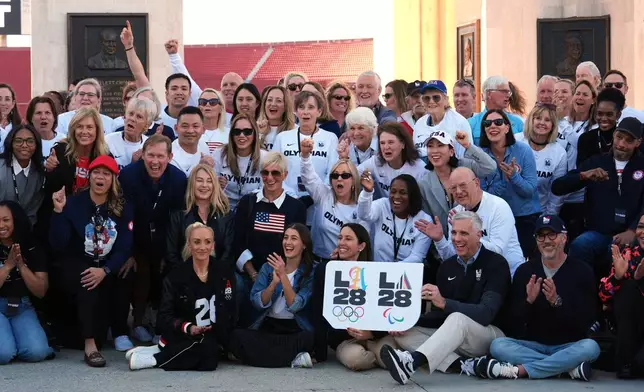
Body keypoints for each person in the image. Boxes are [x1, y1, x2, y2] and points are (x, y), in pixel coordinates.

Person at [379, 211, 511, 385]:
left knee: (457, 318)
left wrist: (444, 303)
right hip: (454, 336)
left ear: (479, 235)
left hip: (490, 336)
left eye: (464, 233)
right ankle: (466, 365)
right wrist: (410, 321)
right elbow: (440, 316)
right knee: (405, 334)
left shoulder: (496, 264)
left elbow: (486, 313)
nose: (456, 238)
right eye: (454, 232)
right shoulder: (447, 267)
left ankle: (412, 363)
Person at [479, 214, 599, 381]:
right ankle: (565, 368)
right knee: (498, 346)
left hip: (568, 345)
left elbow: (585, 322)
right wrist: (529, 301)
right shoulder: (525, 271)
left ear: (564, 238)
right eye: (541, 236)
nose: (546, 240)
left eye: (552, 234)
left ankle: (521, 370)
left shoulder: (582, 271)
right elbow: (513, 324)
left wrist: (556, 302)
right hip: (533, 345)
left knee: (591, 348)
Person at [49, 156, 133, 367]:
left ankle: (120, 330)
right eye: (96, 172)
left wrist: (105, 270)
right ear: (90, 176)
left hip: (105, 265)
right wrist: (59, 211)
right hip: (77, 263)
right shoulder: (74, 202)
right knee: (87, 279)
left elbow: (124, 247)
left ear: (113, 179)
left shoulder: (122, 207)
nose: (100, 177)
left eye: (106, 174)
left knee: (124, 272)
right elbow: (59, 243)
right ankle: (89, 346)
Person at [127, 223, 236, 371]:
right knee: (208, 360)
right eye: (197, 242)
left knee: (242, 339)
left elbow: (230, 306)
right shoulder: (175, 276)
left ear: (213, 245)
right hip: (184, 335)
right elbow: (164, 317)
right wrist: (188, 327)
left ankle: (157, 351)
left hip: (214, 333)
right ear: (189, 245)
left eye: (207, 242)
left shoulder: (224, 272)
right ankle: (154, 359)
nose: (202, 247)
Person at [552, 117, 644, 276]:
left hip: (632, 235)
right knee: (580, 245)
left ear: (638, 142)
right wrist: (584, 176)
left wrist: (633, 230)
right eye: (619, 137)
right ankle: (583, 295)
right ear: (614, 134)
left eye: (629, 141)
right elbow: (557, 187)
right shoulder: (596, 162)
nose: (621, 144)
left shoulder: (642, 165)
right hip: (598, 233)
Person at [118, 135, 188, 343]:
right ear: (142, 155)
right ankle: (131, 325)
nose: (155, 162)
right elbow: (123, 216)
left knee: (166, 271)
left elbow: (176, 221)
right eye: (150, 155)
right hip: (134, 238)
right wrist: (128, 252)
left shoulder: (178, 179)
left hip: (163, 240)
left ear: (170, 156)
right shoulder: (128, 176)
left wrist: (169, 253)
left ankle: (160, 323)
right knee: (132, 270)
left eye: (160, 156)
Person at [232, 152, 307, 326]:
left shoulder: (296, 207)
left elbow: (296, 247)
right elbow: (238, 241)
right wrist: (253, 274)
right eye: (265, 173)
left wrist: (277, 275)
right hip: (250, 273)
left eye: (276, 173)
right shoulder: (248, 202)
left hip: (281, 276)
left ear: (285, 175)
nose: (269, 178)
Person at [229, 224, 315, 368]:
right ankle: (292, 359)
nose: (288, 242)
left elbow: (295, 305)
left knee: (309, 338)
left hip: (294, 329)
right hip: (268, 327)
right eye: (286, 237)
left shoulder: (310, 271)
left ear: (304, 245)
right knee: (236, 336)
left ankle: (259, 358)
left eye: (294, 238)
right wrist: (274, 283)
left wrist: (283, 276)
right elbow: (256, 302)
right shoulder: (268, 267)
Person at [417, 167, 524, 277]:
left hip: (507, 273)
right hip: (475, 275)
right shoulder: (456, 213)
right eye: (453, 188)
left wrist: (470, 233)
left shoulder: (498, 207)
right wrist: (439, 240)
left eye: (463, 185)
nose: (458, 191)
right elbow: (452, 257)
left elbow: (497, 252)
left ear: (477, 183)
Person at [311, 223, 378, 367]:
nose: (341, 242)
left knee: (387, 352)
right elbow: (317, 311)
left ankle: (384, 357)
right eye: (340, 238)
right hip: (344, 340)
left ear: (361, 246)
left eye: (348, 239)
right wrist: (320, 352)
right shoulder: (326, 269)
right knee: (356, 360)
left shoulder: (375, 272)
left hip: (373, 337)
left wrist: (371, 334)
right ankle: (382, 357)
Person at [479, 109, 541, 257]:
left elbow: (529, 190)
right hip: (494, 218)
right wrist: (505, 182)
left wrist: (514, 177)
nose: (492, 126)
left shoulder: (523, 151)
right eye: (487, 124)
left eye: (498, 122)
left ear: (507, 128)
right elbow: (483, 196)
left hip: (524, 217)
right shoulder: (481, 155)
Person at [0, 201, 53, 364]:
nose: (1, 225)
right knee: (3, 354)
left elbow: (41, 291)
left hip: (22, 306)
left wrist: (21, 266)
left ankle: (18, 340)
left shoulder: (31, 246)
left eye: (6, 220)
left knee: (37, 352)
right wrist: (8, 266)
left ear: (16, 220)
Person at [418, 129, 496, 236]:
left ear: (451, 151)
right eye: (430, 146)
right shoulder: (423, 184)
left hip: (475, 237)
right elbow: (427, 220)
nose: (435, 150)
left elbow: (490, 167)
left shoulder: (465, 165)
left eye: (440, 145)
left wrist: (467, 145)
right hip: (444, 243)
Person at [272, 91, 339, 215]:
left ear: (319, 111)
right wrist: (291, 197)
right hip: (288, 203)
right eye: (301, 107)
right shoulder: (282, 137)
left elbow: (331, 174)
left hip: (319, 205)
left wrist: (316, 196)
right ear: (295, 111)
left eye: (311, 107)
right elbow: (274, 171)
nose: (306, 112)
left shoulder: (330, 138)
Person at [300, 137, 365, 261]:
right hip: (315, 261)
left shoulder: (361, 208)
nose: (339, 179)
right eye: (335, 175)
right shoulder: (324, 195)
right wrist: (305, 156)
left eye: (345, 176)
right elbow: (308, 177)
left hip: (343, 265)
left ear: (353, 181)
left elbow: (362, 243)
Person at [599, 214, 644, 379]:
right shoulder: (627, 253)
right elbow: (604, 298)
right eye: (640, 227)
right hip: (631, 327)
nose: (643, 232)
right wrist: (618, 278)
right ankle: (625, 361)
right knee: (628, 287)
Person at [166, 164, 233, 271]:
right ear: (192, 183)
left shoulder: (225, 215)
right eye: (199, 180)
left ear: (214, 185)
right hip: (184, 277)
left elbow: (229, 252)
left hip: (218, 276)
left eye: (209, 181)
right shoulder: (178, 214)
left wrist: (214, 276)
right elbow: (171, 253)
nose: (204, 185)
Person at [166, 38, 243, 126]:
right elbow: (186, 80)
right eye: (225, 85)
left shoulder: (251, 114)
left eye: (233, 84)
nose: (228, 88)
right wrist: (174, 56)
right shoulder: (206, 102)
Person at [556, 80, 597, 240]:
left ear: (593, 100)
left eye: (585, 94)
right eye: (578, 93)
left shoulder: (594, 127)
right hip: (558, 189)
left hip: (579, 193)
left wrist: (563, 125)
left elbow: (580, 143)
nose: (580, 97)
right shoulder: (562, 121)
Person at [358, 173, 432, 263]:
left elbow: (417, 256)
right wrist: (367, 192)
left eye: (403, 192)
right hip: (378, 270)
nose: (396, 196)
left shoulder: (424, 220)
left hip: (406, 274)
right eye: (393, 191)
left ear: (412, 196)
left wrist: (393, 270)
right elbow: (364, 215)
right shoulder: (383, 205)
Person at [515, 104, 567, 215]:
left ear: (553, 125)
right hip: (511, 210)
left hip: (539, 213)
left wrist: (547, 218)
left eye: (547, 120)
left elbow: (557, 192)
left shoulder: (559, 153)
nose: (542, 123)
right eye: (538, 118)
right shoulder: (515, 141)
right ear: (531, 120)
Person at [355, 122, 426, 197]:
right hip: (384, 206)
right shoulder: (376, 161)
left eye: (391, 142)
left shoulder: (420, 169)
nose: (386, 147)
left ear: (403, 144)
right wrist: (344, 158)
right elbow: (353, 175)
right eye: (382, 143)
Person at [213, 113, 267, 210]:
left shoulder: (265, 157)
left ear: (255, 133)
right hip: (223, 208)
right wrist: (216, 185)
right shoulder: (220, 154)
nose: (241, 135)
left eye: (247, 131)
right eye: (237, 131)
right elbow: (210, 185)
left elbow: (266, 190)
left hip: (252, 208)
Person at [413, 80, 473, 160]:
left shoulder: (459, 122)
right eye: (426, 98)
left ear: (446, 100)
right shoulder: (419, 124)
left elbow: (466, 157)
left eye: (436, 98)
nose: (431, 101)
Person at [0, 125, 46, 225]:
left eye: (30, 141)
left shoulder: (39, 174)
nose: (24, 145)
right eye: (18, 141)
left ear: (36, 145)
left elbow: (32, 212)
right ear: (11, 143)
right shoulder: (1, 167)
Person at [576, 87, 626, 165]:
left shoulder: (625, 140)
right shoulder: (585, 139)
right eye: (600, 113)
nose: (604, 118)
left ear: (618, 115)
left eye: (609, 114)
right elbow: (581, 171)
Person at [468, 76, 524, 145]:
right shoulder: (471, 124)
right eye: (504, 91)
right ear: (489, 93)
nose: (508, 95)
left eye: (509, 92)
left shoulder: (517, 123)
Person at [105, 97, 157, 169]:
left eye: (139, 117)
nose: (132, 119)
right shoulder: (108, 141)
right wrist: (133, 164)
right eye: (130, 114)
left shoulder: (149, 146)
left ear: (147, 125)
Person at [170, 106, 210, 176]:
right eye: (185, 126)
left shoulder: (204, 146)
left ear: (203, 129)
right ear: (176, 128)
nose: (190, 131)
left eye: (195, 126)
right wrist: (199, 168)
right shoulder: (170, 156)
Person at [257, 85, 296, 150]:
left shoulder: (295, 130)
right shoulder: (255, 128)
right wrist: (259, 134)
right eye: (269, 100)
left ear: (286, 106)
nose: (273, 104)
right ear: (264, 104)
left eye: (278, 101)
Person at [198, 89, 229, 153]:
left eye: (213, 102)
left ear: (221, 108)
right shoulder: (192, 132)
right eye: (203, 102)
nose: (207, 104)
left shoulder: (230, 133)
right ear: (198, 107)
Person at [0, 84, 23, 154]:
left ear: (13, 104)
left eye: (7, 99)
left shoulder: (20, 127)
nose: (3, 103)